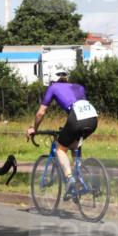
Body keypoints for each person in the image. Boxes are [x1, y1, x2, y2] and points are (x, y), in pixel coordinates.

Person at [26, 70, 98, 200]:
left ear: (52, 80)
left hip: (77, 118)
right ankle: (80, 179)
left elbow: (41, 113)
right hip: (93, 118)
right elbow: (79, 106)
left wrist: (34, 128)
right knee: (75, 144)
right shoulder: (79, 87)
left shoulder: (53, 87)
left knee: (60, 148)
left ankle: (70, 179)